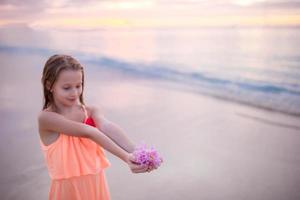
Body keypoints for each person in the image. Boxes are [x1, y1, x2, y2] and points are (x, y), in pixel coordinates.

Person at [38, 54, 156, 200]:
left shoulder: (91, 111)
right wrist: (126, 157)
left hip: (96, 183)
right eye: (67, 88)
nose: (74, 92)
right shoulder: (47, 118)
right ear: (50, 85)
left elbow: (107, 127)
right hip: (68, 190)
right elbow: (89, 132)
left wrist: (138, 152)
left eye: (78, 85)